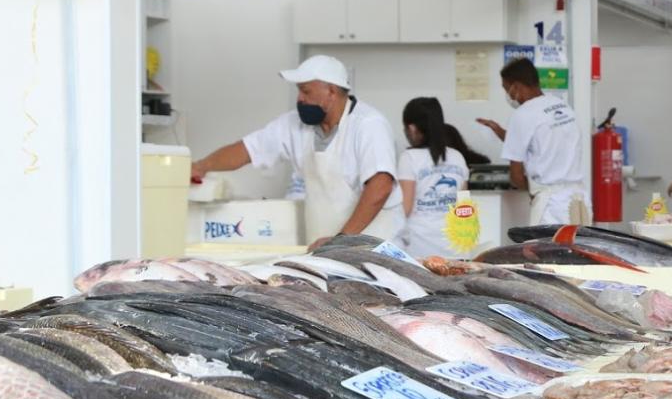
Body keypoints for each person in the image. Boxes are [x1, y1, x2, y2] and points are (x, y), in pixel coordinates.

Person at [191, 55, 401, 248]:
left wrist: (341, 241)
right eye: (299, 91)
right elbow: (248, 149)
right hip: (325, 248)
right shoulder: (294, 125)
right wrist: (202, 166)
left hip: (374, 249)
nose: (300, 98)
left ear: (332, 92)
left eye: (306, 91)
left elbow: (380, 186)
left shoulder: (368, 125)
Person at [476, 58, 589, 224]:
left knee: (547, 249)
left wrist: (533, 191)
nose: (508, 95)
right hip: (579, 200)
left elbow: (516, 176)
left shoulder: (522, 114)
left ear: (516, 87)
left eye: (506, 89)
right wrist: (499, 131)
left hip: (551, 206)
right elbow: (539, 143)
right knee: (579, 248)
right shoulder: (562, 107)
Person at [396, 97, 469, 257]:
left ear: (412, 128)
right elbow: (464, 209)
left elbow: (404, 210)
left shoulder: (409, 158)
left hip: (419, 249)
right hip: (454, 249)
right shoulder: (457, 157)